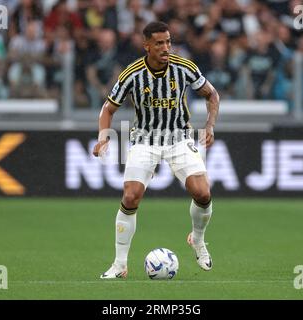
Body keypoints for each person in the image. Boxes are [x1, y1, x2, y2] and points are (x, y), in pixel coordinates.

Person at [92, 21, 220, 279]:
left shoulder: (184, 67)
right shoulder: (132, 73)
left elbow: (212, 95)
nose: (166, 47)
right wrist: (103, 137)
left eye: (169, 42)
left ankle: (197, 239)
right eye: (159, 43)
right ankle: (120, 264)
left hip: (179, 138)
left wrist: (209, 125)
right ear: (147, 45)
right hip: (145, 140)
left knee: (203, 193)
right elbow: (108, 108)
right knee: (131, 197)